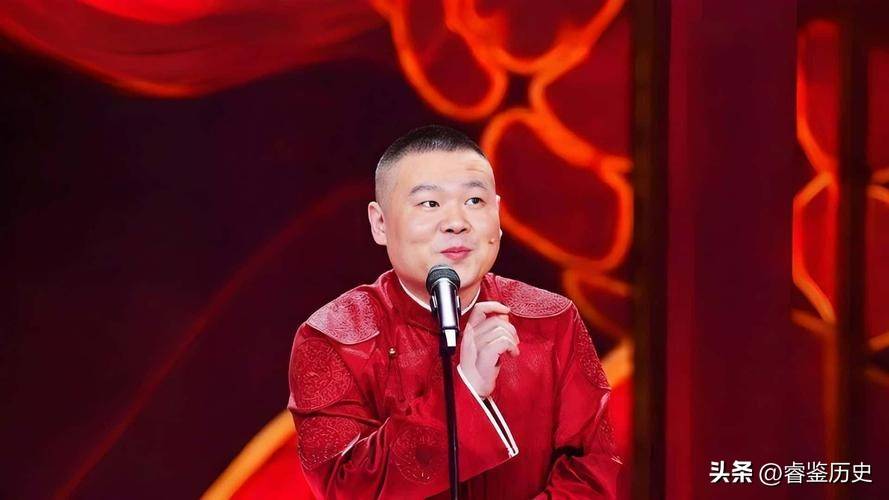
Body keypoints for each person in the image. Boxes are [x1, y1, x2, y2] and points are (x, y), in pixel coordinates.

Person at [287, 125, 621, 499]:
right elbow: (344, 487)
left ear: (498, 215)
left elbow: (594, 472)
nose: (457, 222)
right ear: (380, 223)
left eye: (474, 201)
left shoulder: (552, 320)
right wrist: (467, 389)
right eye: (429, 204)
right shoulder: (333, 337)